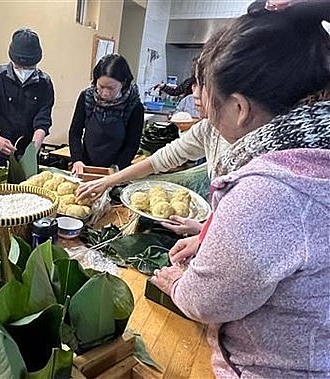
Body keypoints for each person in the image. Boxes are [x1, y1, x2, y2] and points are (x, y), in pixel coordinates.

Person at [152, 1, 330, 377]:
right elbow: (288, 247)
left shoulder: (269, 191)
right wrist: (209, 241)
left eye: (211, 100)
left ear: (238, 107)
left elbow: (207, 301)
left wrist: (179, 284)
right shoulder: (314, 155)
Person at [76, 59, 229, 236]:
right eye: (194, 84)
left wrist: (203, 232)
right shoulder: (207, 129)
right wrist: (107, 181)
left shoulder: (256, 156)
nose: (193, 93)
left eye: (201, 85)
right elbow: (159, 160)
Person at [0, 28, 55, 169]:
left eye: (29, 66)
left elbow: (43, 121)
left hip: (28, 151)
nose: (24, 70)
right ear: (12, 58)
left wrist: (32, 151)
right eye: (19, 66)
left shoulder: (44, 83)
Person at [69, 54, 144, 175]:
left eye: (111, 88)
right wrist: (77, 159)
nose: (105, 93)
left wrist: (117, 168)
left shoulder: (134, 105)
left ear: (124, 83)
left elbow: (132, 144)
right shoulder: (86, 97)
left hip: (116, 169)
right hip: (86, 164)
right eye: (101, 86)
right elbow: (75, 132)